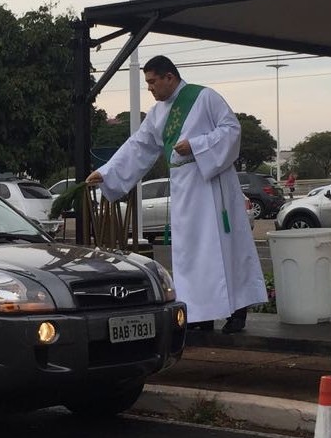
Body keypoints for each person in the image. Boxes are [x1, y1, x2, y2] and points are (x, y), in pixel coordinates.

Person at [85, 55, 266, 333]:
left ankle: (237, 312)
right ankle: (201, 314)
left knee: (222, 248)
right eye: (147, 83)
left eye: (153, 81)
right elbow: (139, 147)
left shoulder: (205, 97)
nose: (150, 88)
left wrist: (196, 145)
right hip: (184, 190)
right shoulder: (157, 114)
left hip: (212, 185)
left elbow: (232, 130)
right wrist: (107, 173)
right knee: (191, 253)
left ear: (170, 77)